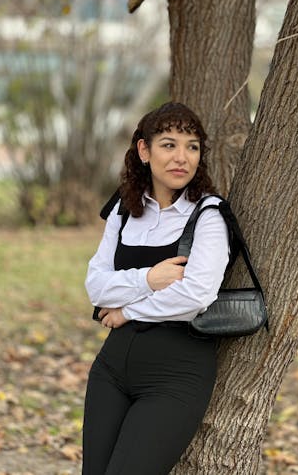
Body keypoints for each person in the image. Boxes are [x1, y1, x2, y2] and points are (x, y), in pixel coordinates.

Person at [82, 101, 229, 475]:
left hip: (175, 376)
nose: (182, 157)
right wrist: (151, 278)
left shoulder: (208, 215)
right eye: (169, 144)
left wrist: (127, 311)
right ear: (144, 151)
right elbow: (96, 286)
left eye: (192, 146)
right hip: (111, 371)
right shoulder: (123, 208)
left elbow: (195, 296)